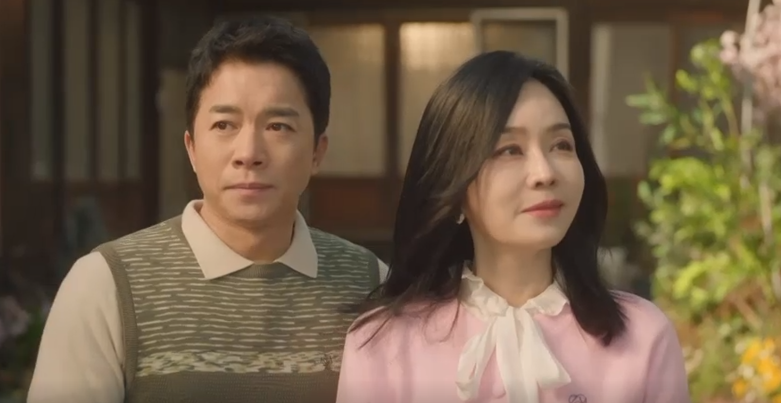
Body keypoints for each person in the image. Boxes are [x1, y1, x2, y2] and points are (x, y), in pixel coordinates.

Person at [28, 16, 387, 403]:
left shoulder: (373, 286)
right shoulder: (105, 285)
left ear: (317, 151)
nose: (248, 153)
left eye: (278, 126)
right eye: (224, 125)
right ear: (192, 148)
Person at [336, 51, 690, 403]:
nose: (545, 173)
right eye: (509, 150)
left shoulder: (644, 338)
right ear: (455, 186)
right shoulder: (384, 347)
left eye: (561, 145)